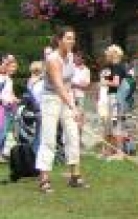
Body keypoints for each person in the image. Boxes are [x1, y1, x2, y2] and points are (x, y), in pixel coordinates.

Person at [35, 26, 89, 193]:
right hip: (51, 98)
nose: (71, 41)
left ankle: (75, 176)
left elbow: (68, 84)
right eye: (67, 38)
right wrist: (73, 106)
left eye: (73, 38)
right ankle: (44, 179)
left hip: (67, 97)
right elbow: (58, 85)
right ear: (59, 40)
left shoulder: (71, 56)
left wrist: (74, 106)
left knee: (73, 135)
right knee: (49, 139)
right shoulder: (52, 59)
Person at [100, 45, 128, 159]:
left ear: (113, 54)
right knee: (111, 125)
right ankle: (109, 151)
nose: (106, 56)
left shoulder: (117, 66)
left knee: (116, 124)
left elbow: (116, 83)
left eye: (107, 54)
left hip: (115, 97)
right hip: (113, 97)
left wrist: (104, 82)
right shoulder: (115, 67)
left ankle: (119, 152)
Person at [0, 54, 19, 162]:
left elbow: (10, 93)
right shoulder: (2, 78)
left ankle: (1, 154)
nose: (13, 69)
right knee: (1, 132)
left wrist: (15, 100)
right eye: (10, 66)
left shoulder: (9, 79)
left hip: (10, 108)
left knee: (5, 133)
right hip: (3, 108)